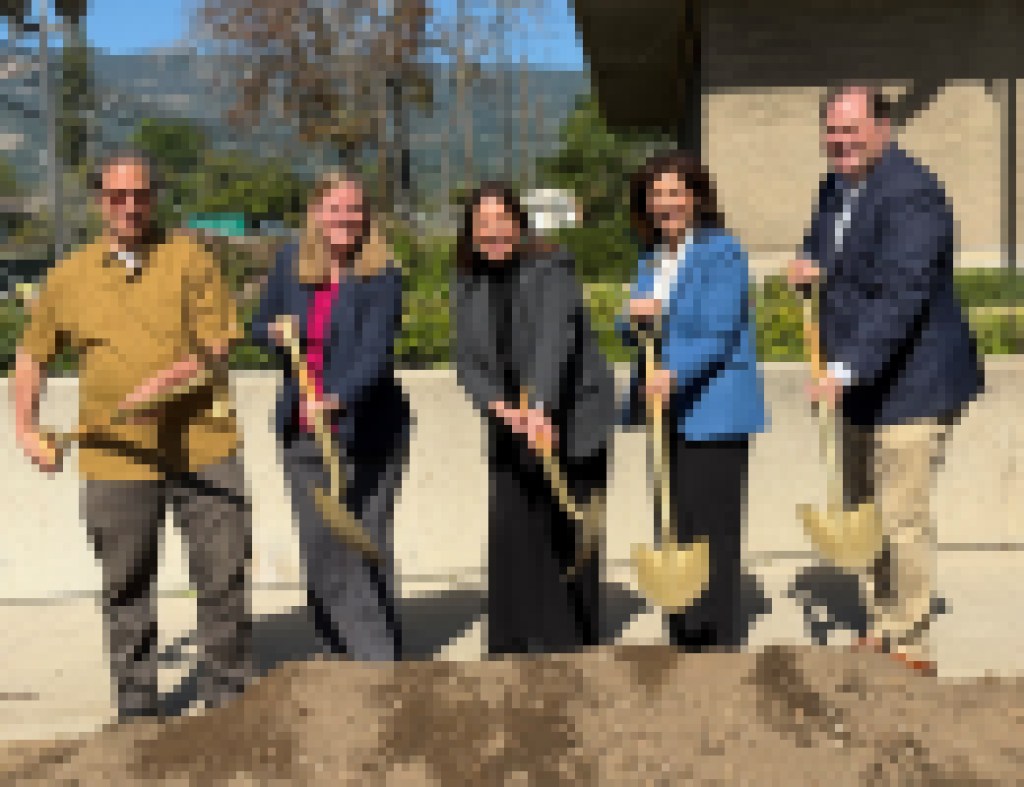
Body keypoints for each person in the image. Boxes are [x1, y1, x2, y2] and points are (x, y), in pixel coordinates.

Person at [13, 149, 253, 721]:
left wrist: (177, 375)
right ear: (100, 200)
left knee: (223, 581)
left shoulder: (189, 257)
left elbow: (219, 342)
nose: (130, 206)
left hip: (204, 449)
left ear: (153, 196)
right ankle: (138, 714)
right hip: (114, 461)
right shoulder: (69, 276)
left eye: (139, 195)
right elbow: (31, 355)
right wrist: (25, 427)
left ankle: (230, 708)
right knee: (126, 592)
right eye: (117, 196)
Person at [790, 84, 984, 675]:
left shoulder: (913, 194)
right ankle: (880, 621)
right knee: (864, 509)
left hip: (914, 379)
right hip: (860, 380)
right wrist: (807, 267)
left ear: (883, 127)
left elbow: (903, 296)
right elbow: (827, 256)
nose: (839, 142)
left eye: (850, 130)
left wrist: (844, 369)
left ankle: (911, 639)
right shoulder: (835, 188)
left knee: (901, 516)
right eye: (831, 131)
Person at [251, 171, 410, 662]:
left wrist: (337, 398)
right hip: (303, 433)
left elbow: (376, 355)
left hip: (368, 430)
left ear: (367, 217)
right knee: (320, 545)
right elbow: (257, 325)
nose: (346, 218)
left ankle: (378, 662)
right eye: (335, 209)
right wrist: (274, 334)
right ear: (317, 214)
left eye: (355, 210)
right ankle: (335, 652)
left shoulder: (382, 274)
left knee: (363, 544)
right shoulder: (289, 263)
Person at [451, 182, 616, 656]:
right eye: (483, 224)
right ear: (471, 232)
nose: (494, 231)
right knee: (514, 531)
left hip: (568, 415)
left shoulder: (552, 268)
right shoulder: (466, 282)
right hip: (511, 419)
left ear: (519, 223)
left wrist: (540, 406)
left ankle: (568, 643)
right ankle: (514, 641)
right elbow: (465, 360)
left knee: (566, 528)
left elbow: (554, 340)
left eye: (502, 220)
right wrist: (499, 407)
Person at [620, 150, 767, 652]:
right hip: (668, 414)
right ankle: (684, 633)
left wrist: (673, 371)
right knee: (674, 524)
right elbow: (632, 324)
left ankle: (718, 641)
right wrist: (630, 317)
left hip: (714, 412)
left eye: (675, 192)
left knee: (712, 531)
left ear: (697, 198)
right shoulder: (652, 259)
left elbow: (720, 331)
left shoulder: (723, 252)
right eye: (656, 194)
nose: (665, 203)